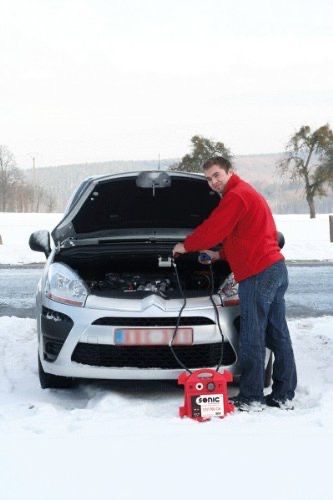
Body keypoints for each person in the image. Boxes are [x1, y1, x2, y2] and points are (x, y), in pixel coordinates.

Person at [172, 156, 297, 411]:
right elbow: (249, 235)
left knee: (252, 335)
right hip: (274, 268)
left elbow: (215, 229)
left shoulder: (236, 196)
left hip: (258, 272)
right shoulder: (246, 193)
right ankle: (284, 394)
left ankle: (252, 397)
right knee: (277, 333)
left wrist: (186, 245)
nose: (213, 182)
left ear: (230, 172)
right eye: (209, 179)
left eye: (217, 175)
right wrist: (220, 255)